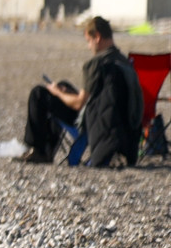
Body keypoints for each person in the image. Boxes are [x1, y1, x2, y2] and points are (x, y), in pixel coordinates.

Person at [17, 16, 143, 166]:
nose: (89, 47)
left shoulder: (97, 63)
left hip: (94, 123)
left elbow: (79, 104)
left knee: (38, 94)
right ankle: (45, 151)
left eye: (88, 41)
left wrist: (58, 93)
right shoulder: (123, 61)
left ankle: (37, 150)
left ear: (97, 37)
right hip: (120, 122)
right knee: (64, 85)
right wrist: (64, 91)